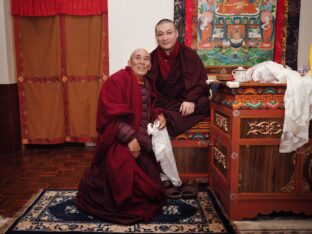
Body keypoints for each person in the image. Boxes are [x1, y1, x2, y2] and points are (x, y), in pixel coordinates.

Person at [75, 48, 167, 225]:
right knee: (121, 173)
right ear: (129, 62)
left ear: (150, 65)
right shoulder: (117, 80)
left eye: (146, 59)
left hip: (142, 140)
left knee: (154, 190)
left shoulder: (148, 83)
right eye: (137, 58)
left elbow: (151, 105)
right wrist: (129, 138)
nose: (141, 62)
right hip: (120, 138)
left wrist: (158, 114)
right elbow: (110, 114)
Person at [149, 19, 210, 137]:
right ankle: (165, 117)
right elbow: (149, 88)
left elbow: (201, 83)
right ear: (156, 37)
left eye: (169, 33)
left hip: (184, 102)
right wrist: (157, 110)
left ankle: (167, 118)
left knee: (204, 103)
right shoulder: (151, 58)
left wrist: (190, 99)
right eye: (160, 34)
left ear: (176, 34)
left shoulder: (189, 55)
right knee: (146, 107)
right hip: (164, 104)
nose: (165, 38)